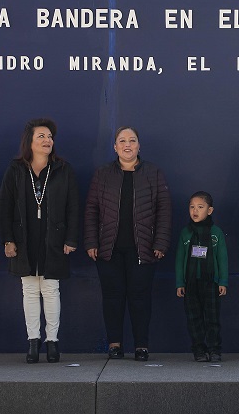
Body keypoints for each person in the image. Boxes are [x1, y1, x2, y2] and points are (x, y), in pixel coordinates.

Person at [85, 126, 172, 362]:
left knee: (140, 297)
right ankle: (115, 344)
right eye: (122, 141)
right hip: (108, 248)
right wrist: (91, 241)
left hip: (143, 248)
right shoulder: (103, 174)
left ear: (138, 146)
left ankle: (141, 345)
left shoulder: (153, 173)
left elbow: (164, 210)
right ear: (115, 147)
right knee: (112, 297)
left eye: (132, 140)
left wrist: (161, 242)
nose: (127, 145)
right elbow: (91, 209)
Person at [0, 118, 79, 364]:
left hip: (54, 238)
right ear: (30, 142)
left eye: (50, 137)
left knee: (51, 290)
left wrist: (71, 238)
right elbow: (5, 207)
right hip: (25, 239)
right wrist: (8, 240)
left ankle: (52, 342)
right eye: (41, 136)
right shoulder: (15, 169)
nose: (47, 141)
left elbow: (73, 207)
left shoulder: (63, 169)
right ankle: (33, 342)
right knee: (30, 290)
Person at [174, 191, 228, 362]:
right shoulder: (185, 233)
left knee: (212, 318)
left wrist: (223, 281)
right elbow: (179, 259)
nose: (195, 211)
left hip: (211, 282)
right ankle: (198, 349)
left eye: (200, 207)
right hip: (190, 283)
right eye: (191, 207)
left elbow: (222, 258)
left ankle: (214, 349)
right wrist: (179, 283)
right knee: (194, 318)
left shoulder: (216, 233)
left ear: (210, 210)